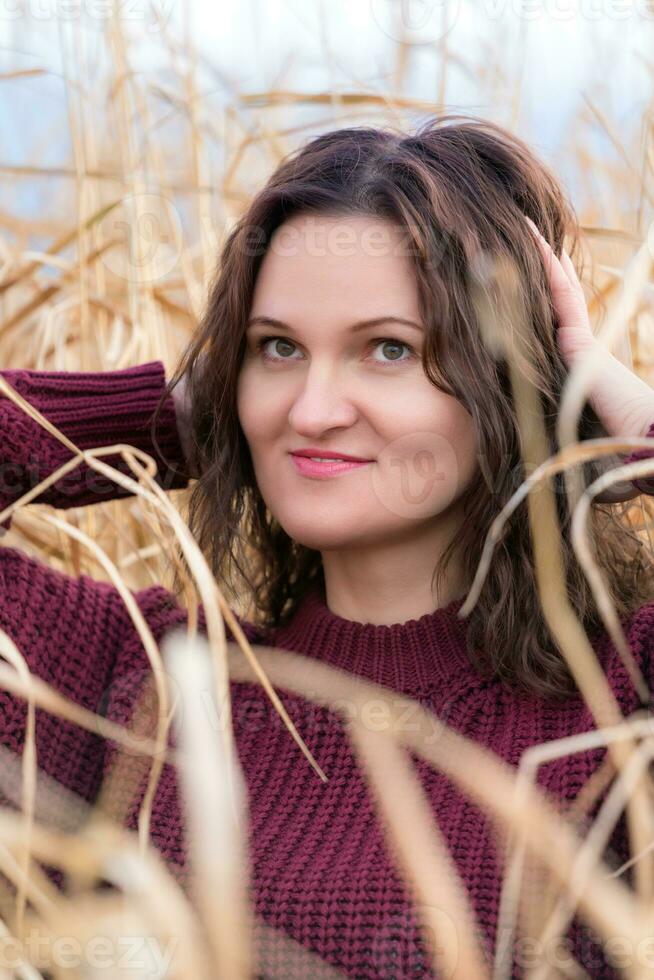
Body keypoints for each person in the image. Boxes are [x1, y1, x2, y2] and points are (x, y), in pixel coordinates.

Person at [1, 115, 654, 979]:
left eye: (389, 349)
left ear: (511, 380)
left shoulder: (617, 702)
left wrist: (628, 421)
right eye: (276, 347)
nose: (310, 410)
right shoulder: (140, 686)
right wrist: (181, 418)